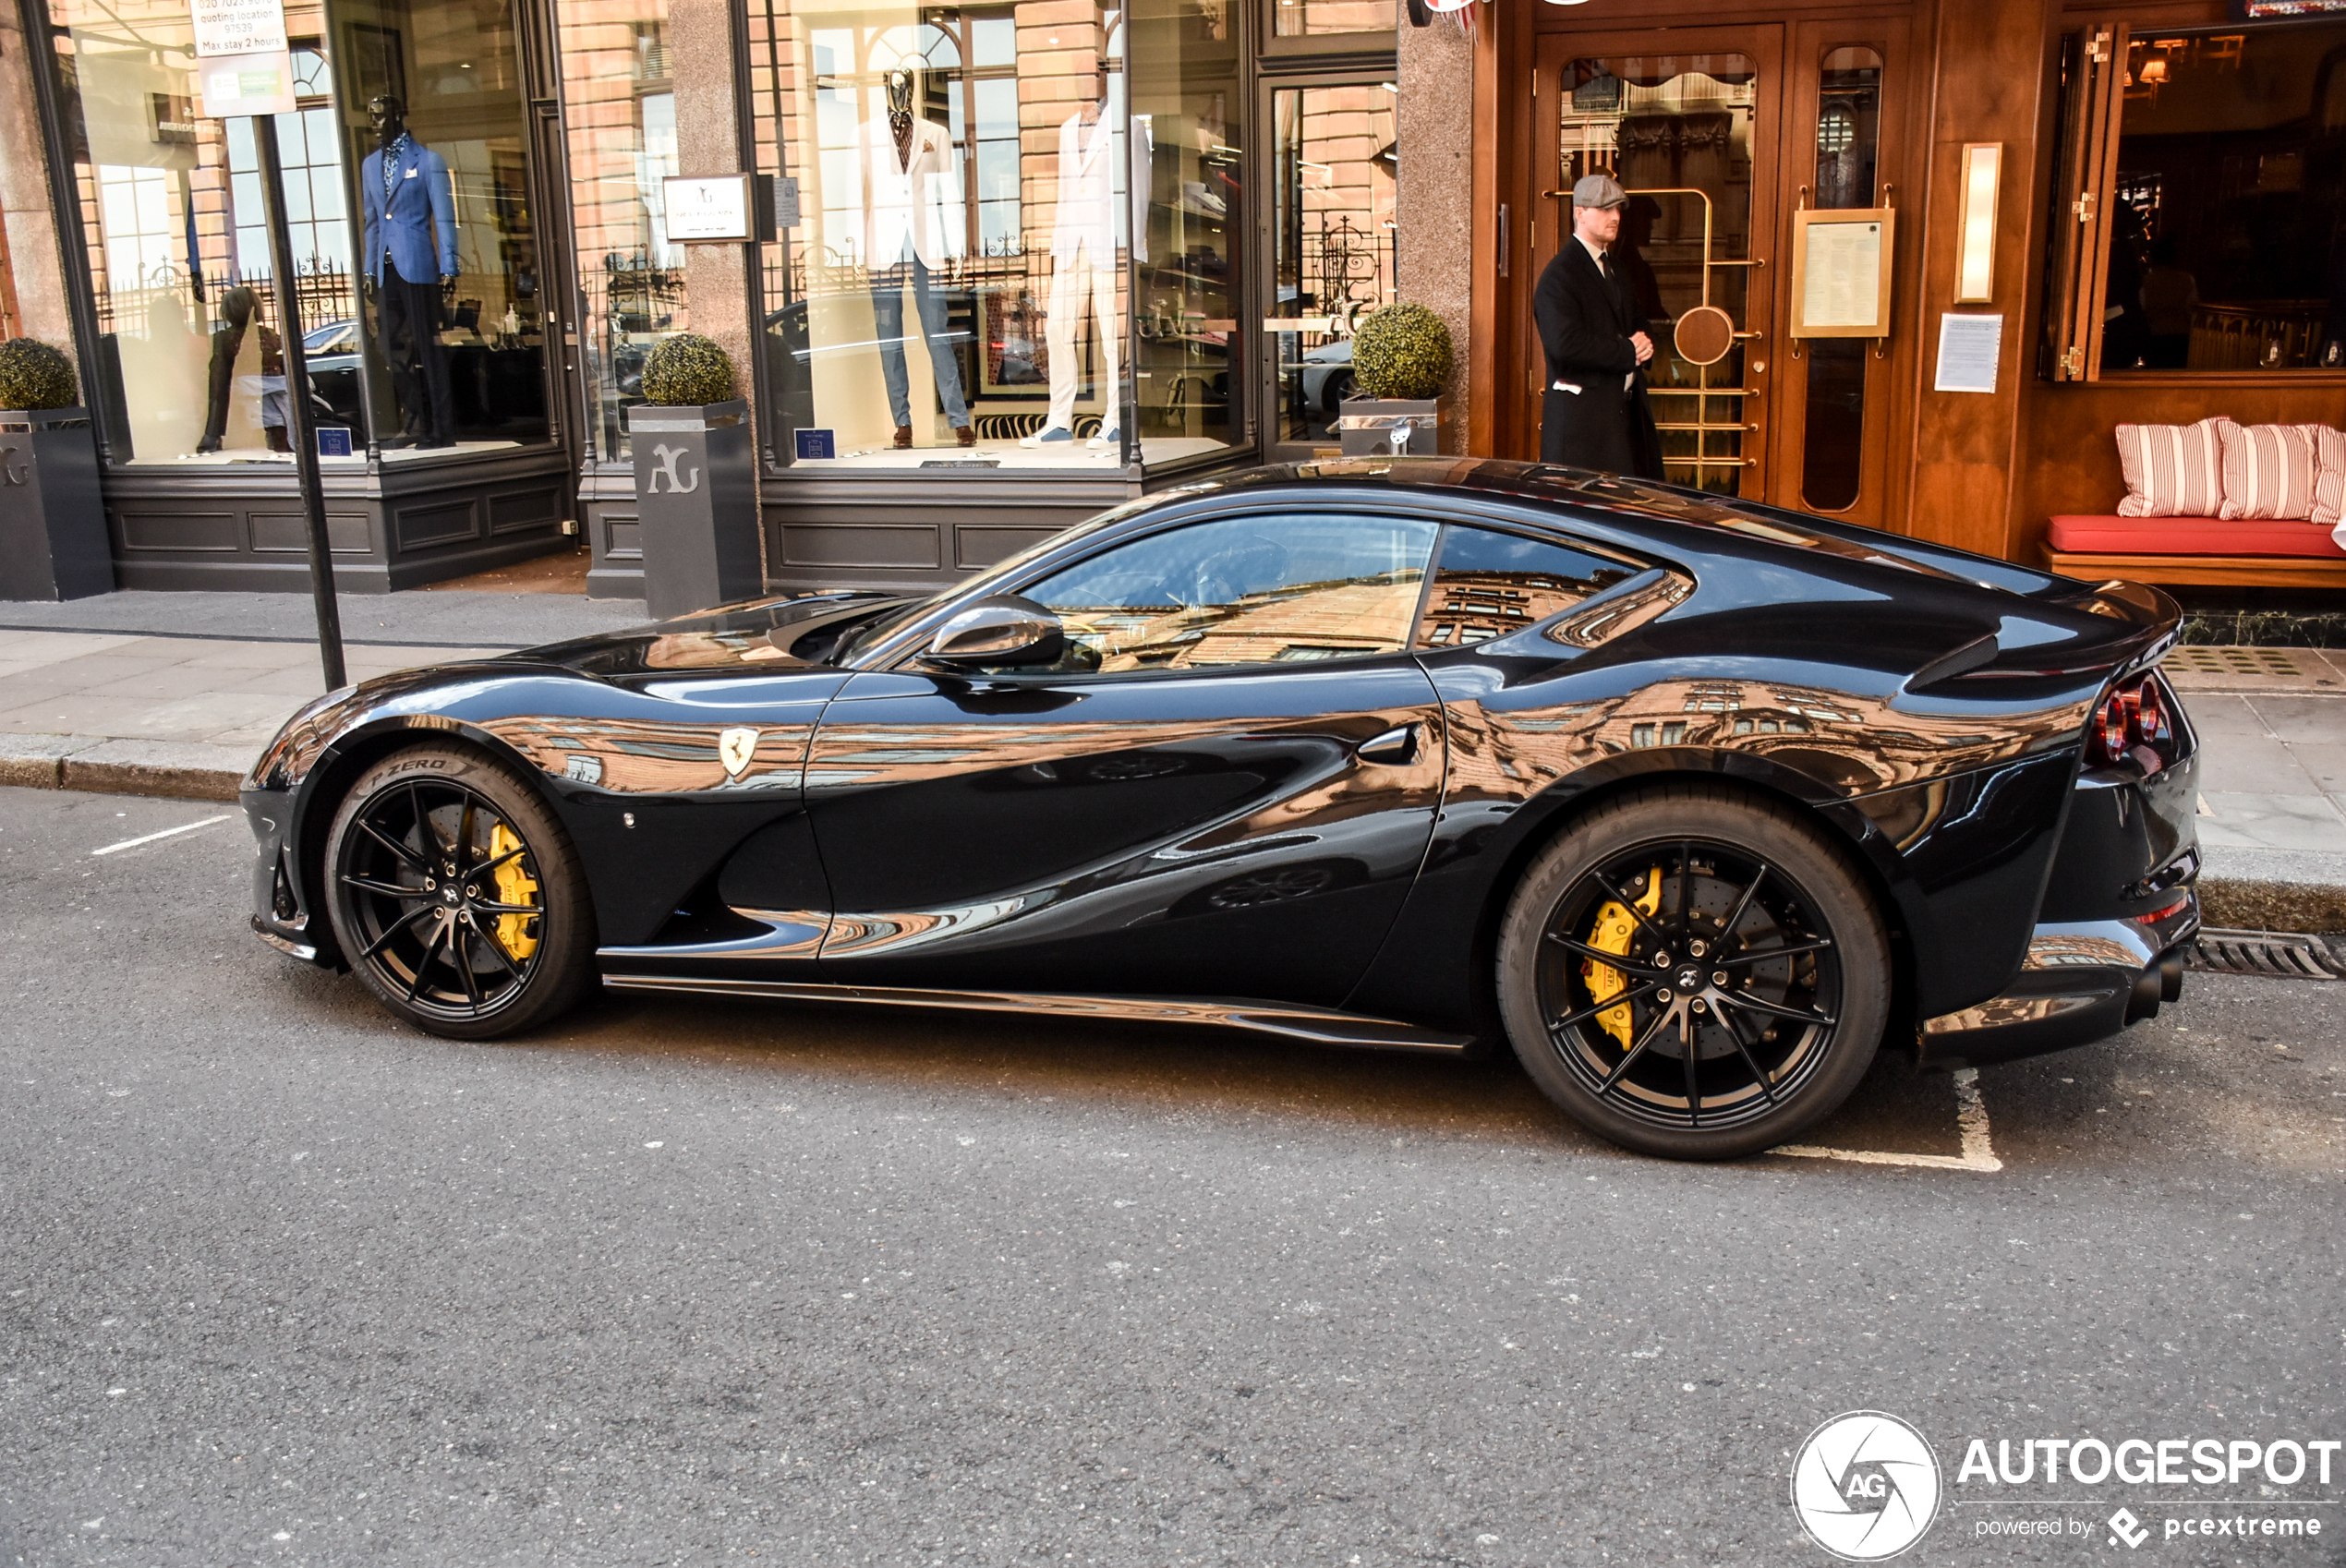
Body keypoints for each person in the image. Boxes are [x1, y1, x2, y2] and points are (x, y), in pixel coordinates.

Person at [1533, 173, 1663, 477]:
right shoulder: (1559, 275)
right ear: (1580, 213)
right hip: (1584, 431)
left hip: (1625, 419)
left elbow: (1638, 320)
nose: (1615, 217)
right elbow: (1565, 344)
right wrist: (1628, 352)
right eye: (1605, 209)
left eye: (1618, 209)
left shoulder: (1616, 267)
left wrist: (1645, 343)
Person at [360, 95, 458, 448]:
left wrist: (449, 266)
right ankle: (415, 420)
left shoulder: (428, 160)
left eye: (380, 117)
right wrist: (369, 269)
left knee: (427, 349)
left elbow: (444, 217)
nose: (375, 124)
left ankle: (441, 428)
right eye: (371, 118)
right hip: (387, 269)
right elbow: (372, 221)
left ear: (398, 117)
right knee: (391, 349)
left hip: (417, 264)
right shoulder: (370, 165)